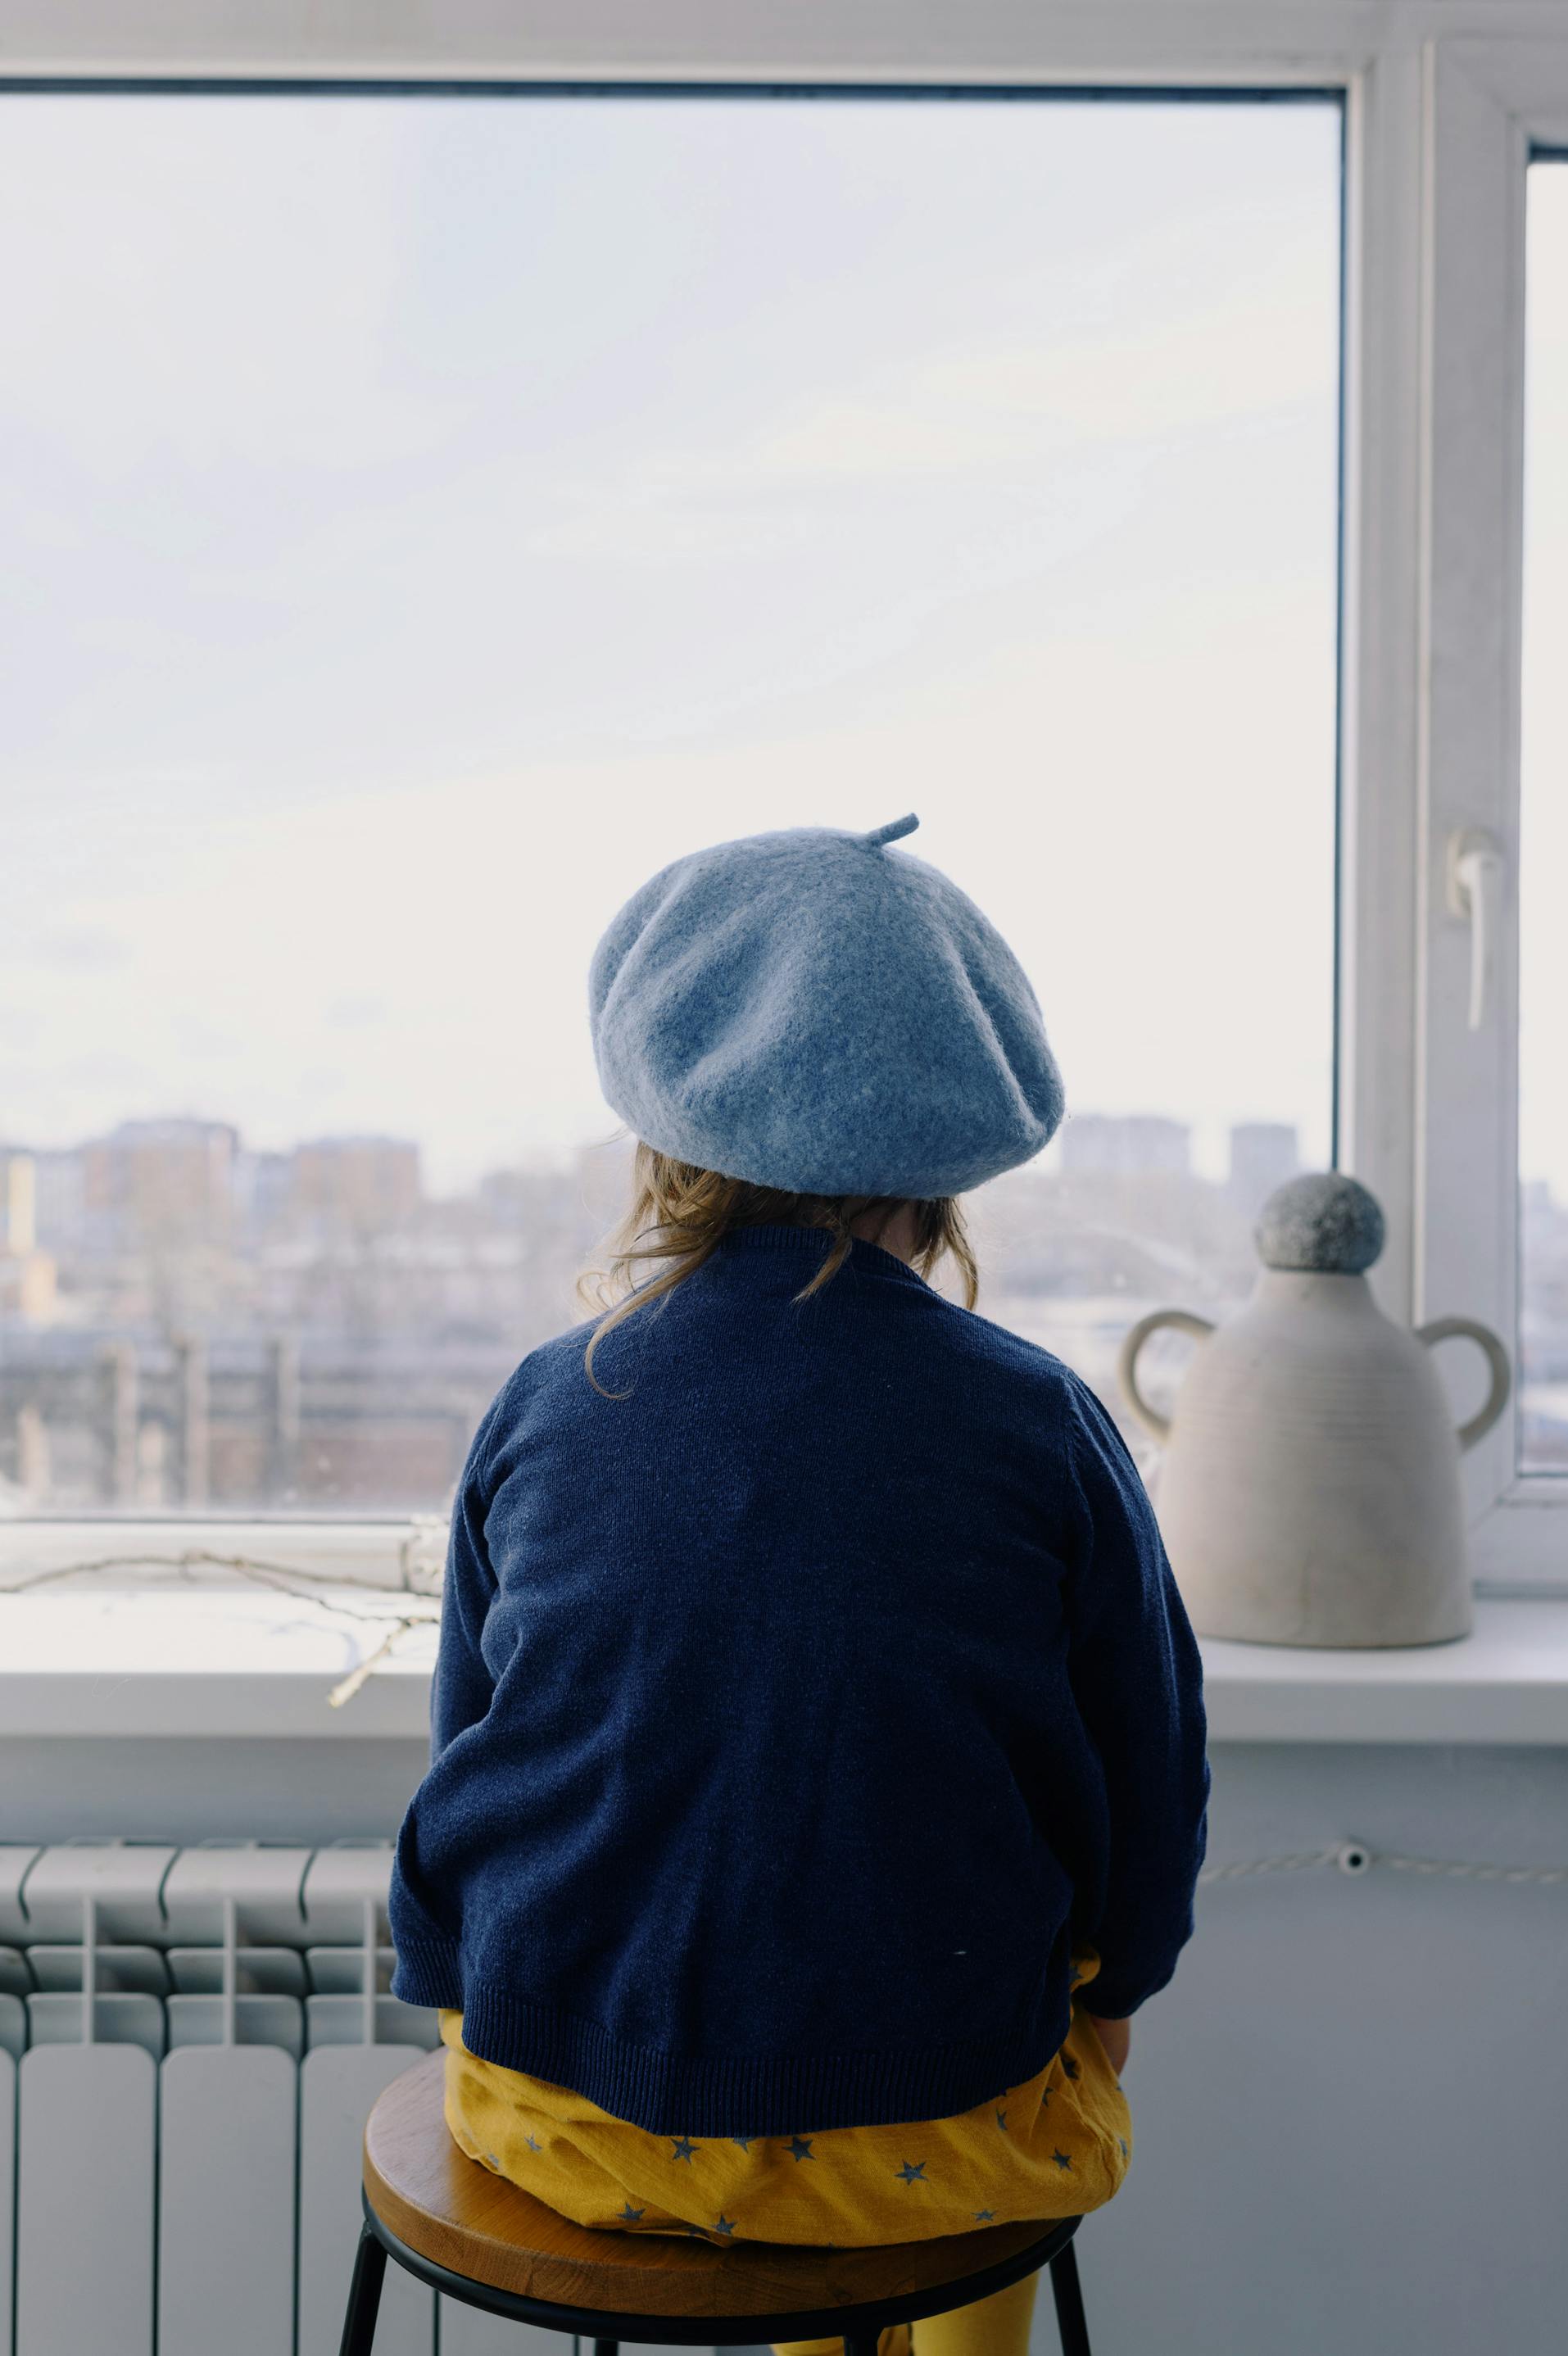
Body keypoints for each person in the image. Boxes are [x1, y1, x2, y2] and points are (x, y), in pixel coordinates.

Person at [390, 814, 1210, 2356]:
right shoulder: (1039, 1421)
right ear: (960, 1147)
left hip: (555, 2108)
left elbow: (468, 1750)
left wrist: (461, 1990)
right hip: (932, 2139)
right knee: (963, 2085)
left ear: (665, 1129)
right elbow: (1147, 1785)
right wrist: (1115, 2005)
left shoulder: (547, 1399)